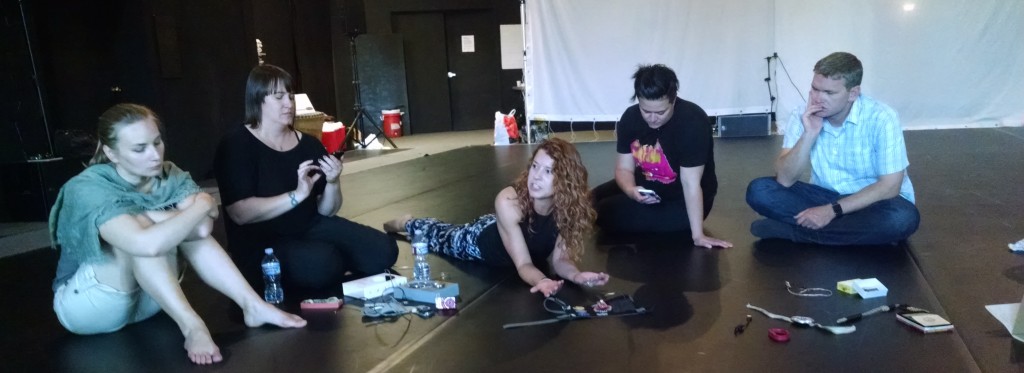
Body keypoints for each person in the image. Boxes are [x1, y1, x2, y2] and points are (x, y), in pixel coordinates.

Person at [49, 103, 306, 365]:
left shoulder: (168, 174)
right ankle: (192, 326)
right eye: (139, 149)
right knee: (145, 240)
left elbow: (204, 229)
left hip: (147, 302)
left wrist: (143, 216)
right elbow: (146, 245)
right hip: (89, 306)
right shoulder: (88, 186)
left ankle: (253, 305)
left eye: (157, 142)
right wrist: (204, 204)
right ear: (111, 153)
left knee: (177, 233)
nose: (154, 155)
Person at [214, 64, 398, 294]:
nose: (288, 104)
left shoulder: (309, 144)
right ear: (258, 99)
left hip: (309, 226)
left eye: (290, 96)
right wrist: (297, 195)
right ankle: (329, 260)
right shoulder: (237, 145)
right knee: (323, 265)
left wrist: (332, 182)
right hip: (262, 241)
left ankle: (331, 259)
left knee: (384, 251)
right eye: (279, 97)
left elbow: (326, 211)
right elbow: (240, 213)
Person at [383, 138, 609, 297]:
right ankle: (405, 221)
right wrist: (543, 281)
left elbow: (560, 260)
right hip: (479, 240)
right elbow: (524, 264)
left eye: (548, 171)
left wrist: (577, 276)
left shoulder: (567, 208)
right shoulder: (508, 201)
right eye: (535, 167)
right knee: (438, 234)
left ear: (566, 181)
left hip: (502, 224)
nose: (536, 177)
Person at [745, 52, 920, 245]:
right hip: (823, 196)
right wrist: (809, 134)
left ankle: (795, 233)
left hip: (871, 202)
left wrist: (831, 211)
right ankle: (854, 236)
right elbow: (785, 179)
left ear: (853, 93)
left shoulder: (882, 118)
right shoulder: (801, 115)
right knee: (759, 190)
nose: (818, 98)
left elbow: (890, 186)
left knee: (902, 219)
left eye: (829, 93)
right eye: (815, 89)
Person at [591, 64, 732, 249]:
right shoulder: (630, 118)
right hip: (647, 183)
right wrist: (631, 190)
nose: (652, 118)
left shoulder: (693, 122)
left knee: (604, 212)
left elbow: (691, 183)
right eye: (646, 111)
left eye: (660, 112)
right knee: (590, 198)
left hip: (681, 201)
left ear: (673, 101)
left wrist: (698, 235)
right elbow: (624, 168)